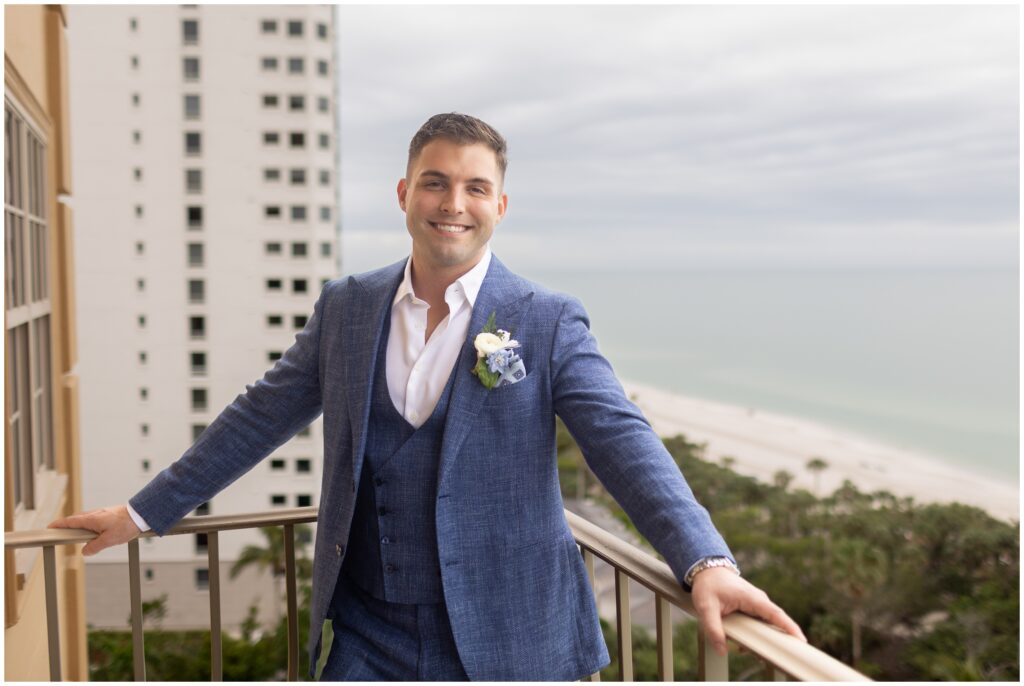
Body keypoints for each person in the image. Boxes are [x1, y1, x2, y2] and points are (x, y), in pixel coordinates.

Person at [51, 113, 805, 680]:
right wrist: (142, 513)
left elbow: (622, 441)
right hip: (369, 630)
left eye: (476, 187)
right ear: (407, 193)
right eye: (437, 181)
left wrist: (707, 562)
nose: (455, 202)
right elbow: (260, 413)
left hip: (513, 636)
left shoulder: (544, 320)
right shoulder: (346, 306)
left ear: (500, 206)